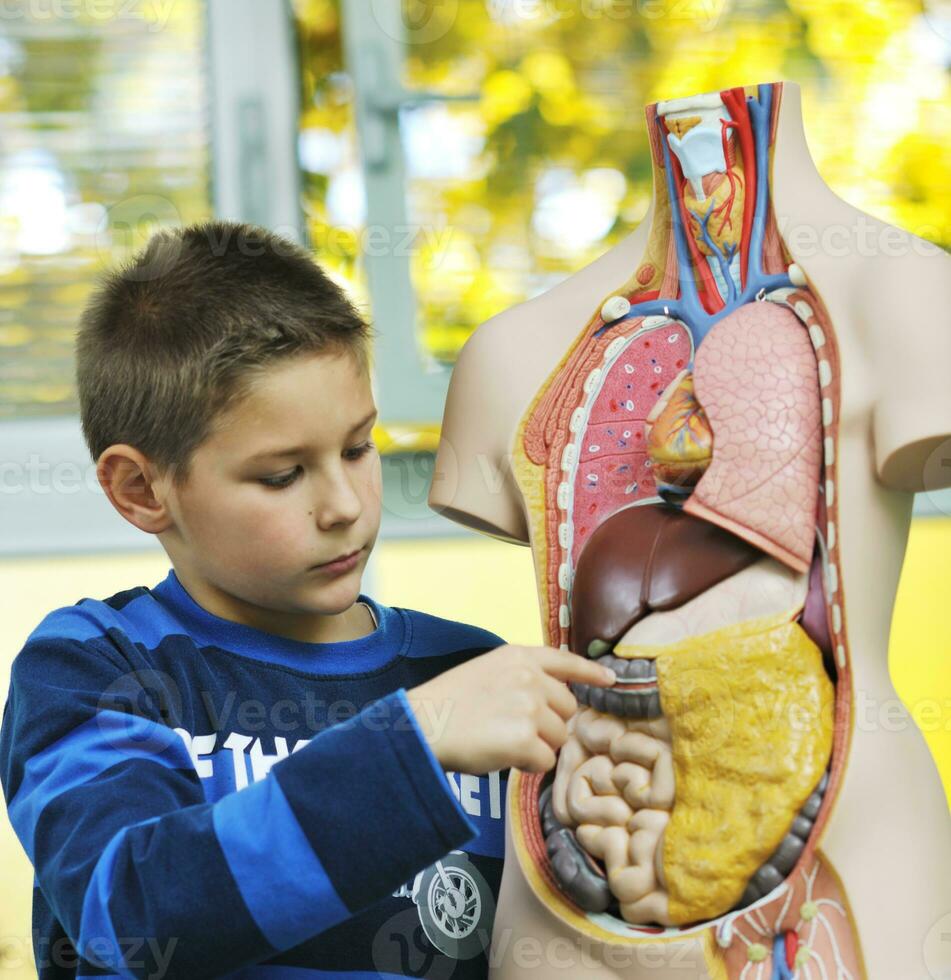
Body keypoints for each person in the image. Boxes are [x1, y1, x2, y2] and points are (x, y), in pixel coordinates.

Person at [0, 221, 616, 980]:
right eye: (282, 475)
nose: (344, 506)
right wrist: (412, 745)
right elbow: (130, 917)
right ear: (141, 489)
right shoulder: (97, 669)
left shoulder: (471, 672)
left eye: (357, 448)